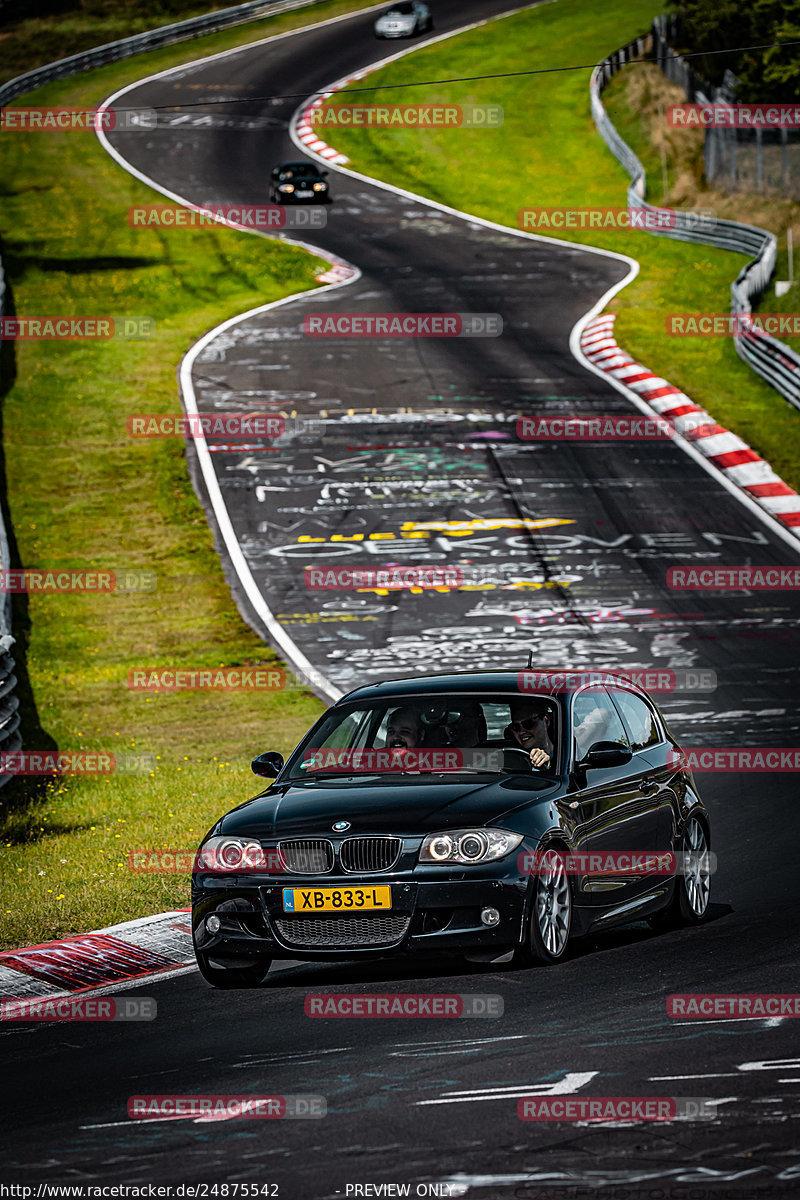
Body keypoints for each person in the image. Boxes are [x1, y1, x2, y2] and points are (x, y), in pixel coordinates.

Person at [507, 699, 554, 769]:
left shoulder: (566, 754)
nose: (521, 732)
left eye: (528, 724)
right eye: (515, 727)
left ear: (546, 721)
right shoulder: (510, 760)